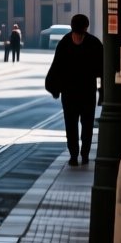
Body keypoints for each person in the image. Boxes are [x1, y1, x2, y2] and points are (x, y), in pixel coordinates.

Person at [46, 14, 104, 166]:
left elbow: (56, 67)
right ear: (86, 27)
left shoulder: (66, 43)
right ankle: (79, 154)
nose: (77, 37)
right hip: (79, 92)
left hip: (78, 92)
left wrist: (54, 88)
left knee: (77, 125)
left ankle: (79, 155)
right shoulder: (93, 43)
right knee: (81, 125)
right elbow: (103, 69)